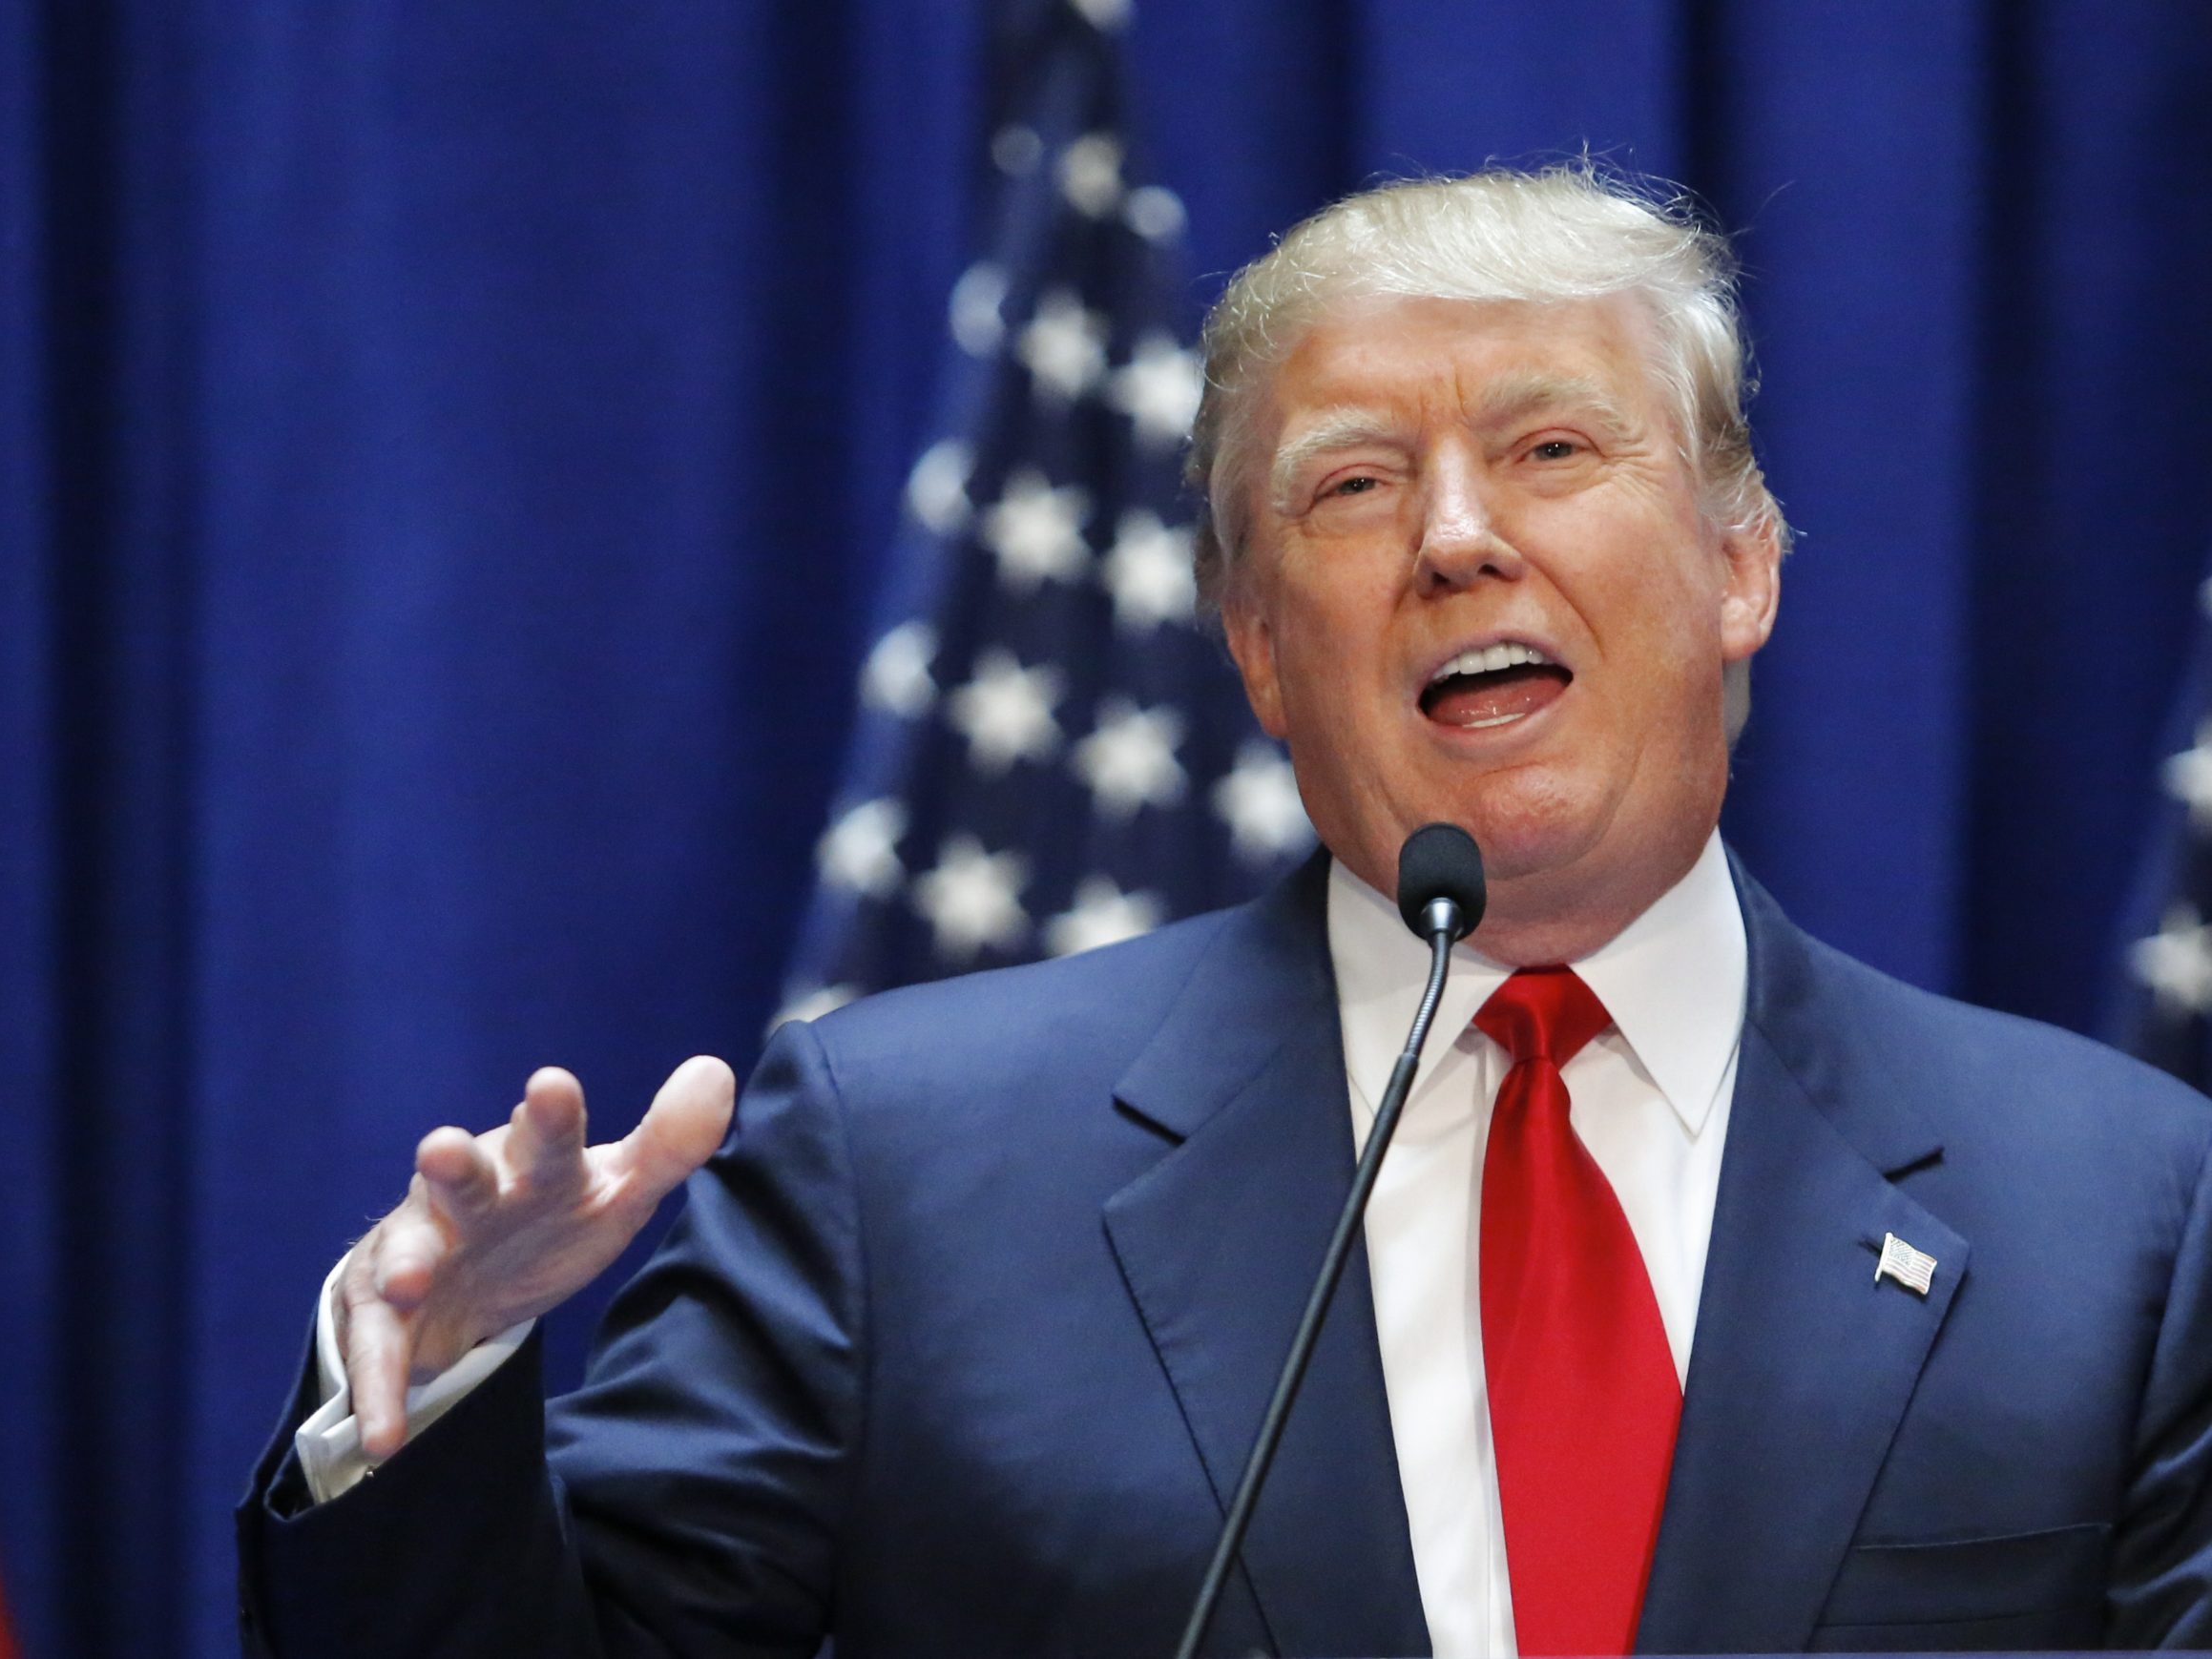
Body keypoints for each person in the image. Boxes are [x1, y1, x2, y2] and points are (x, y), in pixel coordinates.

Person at [237, 165, 2212, 1657]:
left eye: (1547, 447)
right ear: (1259, 649)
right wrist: (429, 1416)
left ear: (1737, 565)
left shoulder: (2115, 1211)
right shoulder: (900, 1171)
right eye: (1351, 488)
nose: (1454, 537)